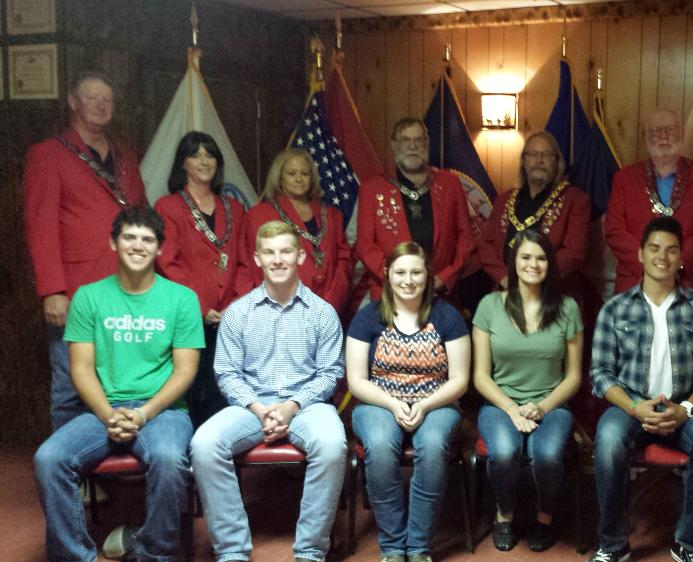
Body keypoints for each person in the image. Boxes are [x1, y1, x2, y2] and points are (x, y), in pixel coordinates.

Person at [33, 206, 203, 562]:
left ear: (159, 249)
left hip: (164, 410)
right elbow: (81, 369)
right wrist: (108, 413)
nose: (137, 246)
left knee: (169, 458)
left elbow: (185, 373)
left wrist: (142, 415)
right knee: (49, 459)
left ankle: (153, 552)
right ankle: (75, 556)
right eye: (129, 237)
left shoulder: (182, 298)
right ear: (113, 243)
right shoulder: (89, 297)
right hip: (102, 409)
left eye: (147, 239)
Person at [190, 220, 347, 562]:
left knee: (333, 444)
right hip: (251, 405)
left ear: (301, 257)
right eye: (269, 252)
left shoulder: (323, 313)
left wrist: (291, 406)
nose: (278, 260)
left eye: (286, 251)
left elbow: (331, 373)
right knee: (204, 444)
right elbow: (228, 374)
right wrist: (259, 409)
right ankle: (231, 551)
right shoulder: (237, 313)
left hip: (307, 404)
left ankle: (310, 550)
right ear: (257, 258)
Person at [588, 216, 693, 562]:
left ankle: (690, 543)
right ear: (640, 254)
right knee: (607, 442)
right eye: (654, 249)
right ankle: (613, 544)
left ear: (681, 257)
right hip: (631, 406)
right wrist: (635, 408)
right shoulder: (615, 309)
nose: (662, 257)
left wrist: (685, 411)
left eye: (671, 250)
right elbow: (601, 374)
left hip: (686, 408)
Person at [23, 70, 148, 429]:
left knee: (119, 380)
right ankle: (69, 470)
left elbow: (141, 213)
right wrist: (53, 291)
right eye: (92, 98)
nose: (100, 105)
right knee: (70, 383)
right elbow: (40, 225)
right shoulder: (47, 154)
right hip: (76, 289)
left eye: (107, 100)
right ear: (73, 103)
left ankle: (112, 470)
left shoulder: (124, 154)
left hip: (128, 286)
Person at [346, 242, 471, 562]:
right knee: (379, 444)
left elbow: (459, 380)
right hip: (378, 401)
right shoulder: (368, 317)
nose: (408, 280)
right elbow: (357, 381)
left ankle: (417, 546)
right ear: (387, 275)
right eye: (400, 272)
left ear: (427, 275)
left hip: (437, 401)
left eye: (416, 272)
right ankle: (392, 547)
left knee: (431, 446)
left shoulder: (447, 316)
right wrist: (392, 403)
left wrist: (425, 404)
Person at [472, 229, 583, 552]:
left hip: (552, 404)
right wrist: (510, 408)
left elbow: (574, 376)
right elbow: (480, 376)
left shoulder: (567, 308)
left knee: (547, 456)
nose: (533, 264)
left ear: (550, 263)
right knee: (504, 453)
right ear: (512, 261)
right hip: (499, 403)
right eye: (525, 257)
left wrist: (543, 407)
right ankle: (504, 515)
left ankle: (545, 517)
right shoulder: (489, 306)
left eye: (541, 257)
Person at [154, 131, 245, 427]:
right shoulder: (168, 207)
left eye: (210, 154)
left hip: (229, 317)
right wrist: (200, 306)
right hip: (189, 316)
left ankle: (223, 453)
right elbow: (167, 262)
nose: (204, 161)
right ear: (183, 163)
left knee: (227, 388)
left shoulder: (235, 208)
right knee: (194, 387)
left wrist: (236, 307)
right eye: (196, 154)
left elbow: (246, 262)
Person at [605, 108, 693, 297]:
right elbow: (614, 230)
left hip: (690, 282)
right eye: (656, 131)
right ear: (646, 136)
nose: (664, 137)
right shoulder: (624, 178)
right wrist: (650, 264)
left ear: (682, 134)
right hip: (634, 282)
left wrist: (675, 259)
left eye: (670, 130)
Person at [355, 117, 472, 301]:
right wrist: (401, 280)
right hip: (390, 298)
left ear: (427, 143)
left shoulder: (450, 184)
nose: (412, 146)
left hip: (439, 294)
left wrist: (445, 277)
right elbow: (365, 245)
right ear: (394, 145)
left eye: (418, 140)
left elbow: (465, 239)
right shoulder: (372, 189)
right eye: (405, 140)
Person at [236, 148, 351, 312]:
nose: (299, 179)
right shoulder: (259, 215)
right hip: (279, 310)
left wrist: (331, 303)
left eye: (305, 173)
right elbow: (251, 268)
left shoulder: (332, 215)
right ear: (280, 177)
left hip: (329, 309)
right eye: (292, 173)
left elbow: (344, 262)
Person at [477, 131, 590, 288]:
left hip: (552, 295)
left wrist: (531, 279)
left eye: (546, 155)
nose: (539, 160)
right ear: (523, 161)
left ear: (557, 162)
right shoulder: (504, 199)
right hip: (505, 291)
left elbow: (574, 253)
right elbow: (485, 245)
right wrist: (504, 278)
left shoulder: (575, 200)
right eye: (533, 154)